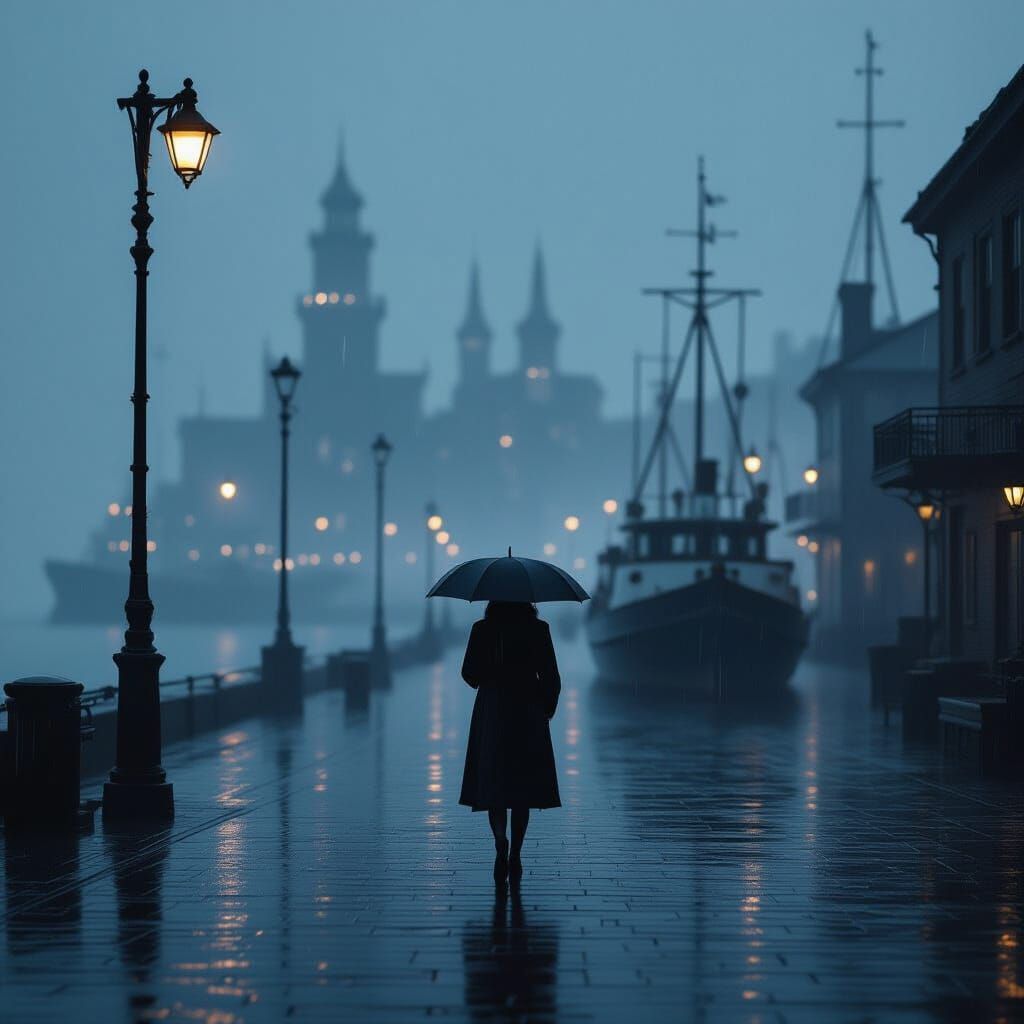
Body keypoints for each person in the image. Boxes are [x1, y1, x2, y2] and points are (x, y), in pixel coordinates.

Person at [459, 600, 561, 886]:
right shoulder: (538, 629)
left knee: (495, 783)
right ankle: (516, 852)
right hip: (528, 710)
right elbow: (551, 675)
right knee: (522, 788)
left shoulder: (482, 629)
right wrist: (547, 707)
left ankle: (500, 840)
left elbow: (469, 674)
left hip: (492, 710)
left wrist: (490, 669)